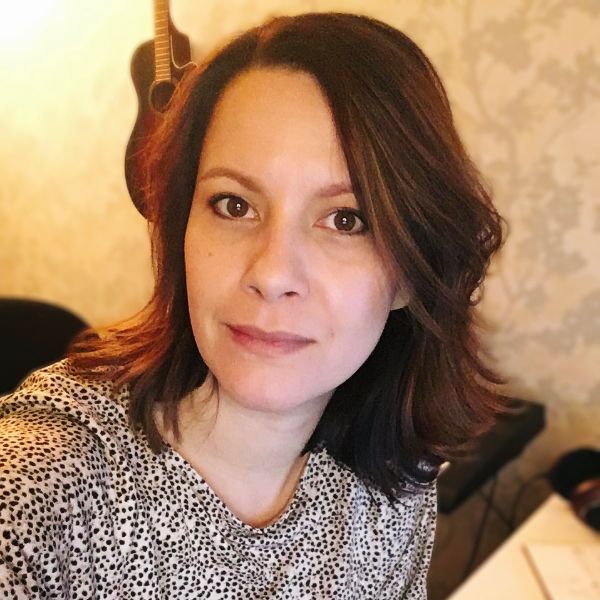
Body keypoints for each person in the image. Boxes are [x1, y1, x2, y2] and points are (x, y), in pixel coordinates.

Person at [0, 12, 504, 599]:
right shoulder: (47, 484)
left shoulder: (398, 481)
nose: (271, 274)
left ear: (411, 275)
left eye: (346, 219)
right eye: (234, 205)